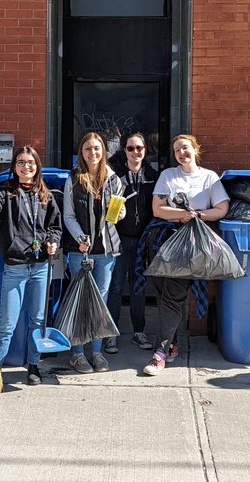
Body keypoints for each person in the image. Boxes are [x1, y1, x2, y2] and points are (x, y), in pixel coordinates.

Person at [0, 146, 62, 386]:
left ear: (37, 166)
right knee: (6, 324)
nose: (26, 166)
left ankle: (33, 365)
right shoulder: (5, 192)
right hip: (15, 267)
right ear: (15, 166)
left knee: (37, 321)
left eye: (30, 162)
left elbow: (55, 226)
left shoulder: (46, 195)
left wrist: (53, 241)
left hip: (41, 266)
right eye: (21, 162)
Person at [143, 134, 229, 376]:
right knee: (163, 294)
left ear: (196, 149)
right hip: (163, 241)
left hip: (191, 245)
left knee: (173, 295)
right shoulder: (168, 175)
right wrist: (181, 214)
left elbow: (222, 208)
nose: (181, 153)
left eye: (185, 148)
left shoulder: (209, 178)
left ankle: (159, 354)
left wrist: (198, 215)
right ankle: (171, 345)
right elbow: (158, 209)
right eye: (177, 150)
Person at [62, 132, 126, 374]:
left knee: (101, 304)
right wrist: (80, 238)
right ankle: (77, 354)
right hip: (80, 252)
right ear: (82, 152)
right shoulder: (73, 179)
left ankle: (97, 353)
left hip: (106, 252)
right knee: (79, 302)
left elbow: (116, 214)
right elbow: (68, 215)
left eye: (97, 148)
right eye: (88, 149)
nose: (93, 153)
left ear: (103, 151)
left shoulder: (113, 179)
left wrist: (121, 213)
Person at [105, 132, 158, 352]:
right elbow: (110, 212)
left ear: (145, 150)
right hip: (119, 239)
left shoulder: (154, 176)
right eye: (130, 148)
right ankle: (111, 334)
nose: (135, 152)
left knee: (139, 287)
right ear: (124, 151)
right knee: (116, 286)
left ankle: (139, 331)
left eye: (139, 148)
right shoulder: (115, 176)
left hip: (143, 240)